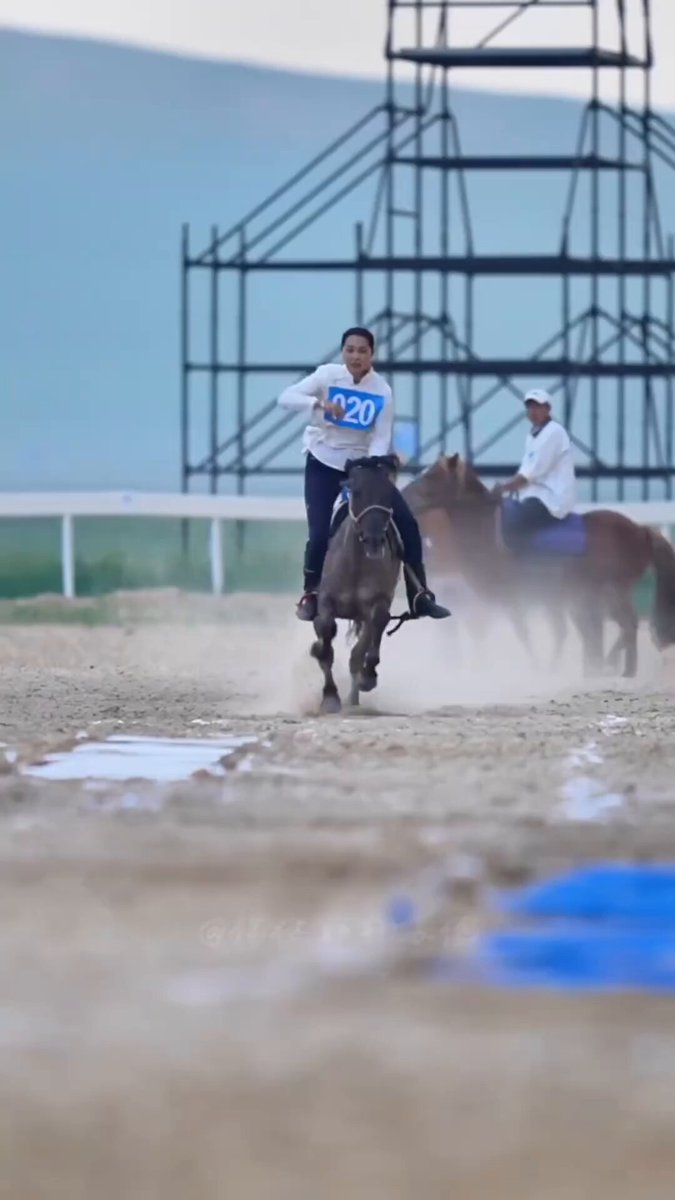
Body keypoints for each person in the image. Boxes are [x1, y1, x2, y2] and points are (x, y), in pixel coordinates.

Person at [278, 326, 450, 623]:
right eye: (350, 350)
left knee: (407, 524)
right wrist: (317, 403)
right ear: (343, 351)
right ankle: (311, 594)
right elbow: (286, 398)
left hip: (362, 469)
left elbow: (381, 436)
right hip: (323, 464)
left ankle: (420, 594)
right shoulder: (327, 376)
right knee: (319, 534)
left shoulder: (382, 390)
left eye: (362, 351)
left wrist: (371, 470)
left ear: (372, 354)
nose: (355, 356)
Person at [492, 387, 577, 551]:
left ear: (548, 409)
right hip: (535, 496)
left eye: (538, 407)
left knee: (514, 524)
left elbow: (528, 475)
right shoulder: (533, 435)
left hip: (550, 500)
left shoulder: (553, 432)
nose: (533, 411)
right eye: (530, 407)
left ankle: (522, 564)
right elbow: (525, 471)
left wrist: (502, 488)